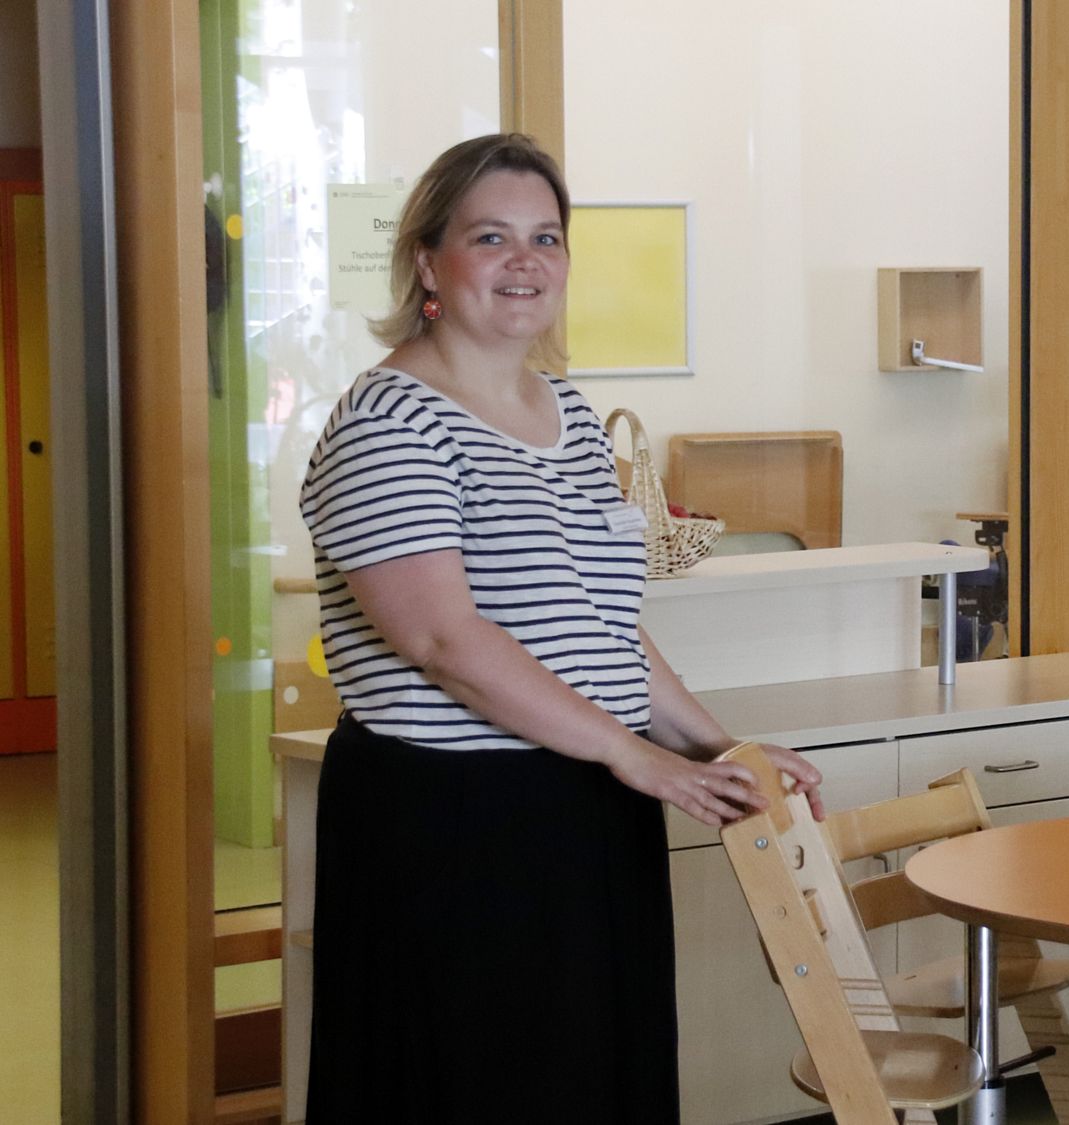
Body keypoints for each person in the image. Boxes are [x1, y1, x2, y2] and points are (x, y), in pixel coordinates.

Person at [298, 132, 824, 1123]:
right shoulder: (387, 422)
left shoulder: (567, 416)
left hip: (582, 803)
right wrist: (635, 756)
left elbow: (603, 627)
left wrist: (717, 746)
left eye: (546, 237)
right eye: (490, 236)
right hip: (454, 820)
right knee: (473, 1087)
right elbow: (444, 642)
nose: (525, 261)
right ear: (427, 261)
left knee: (597, 1076)